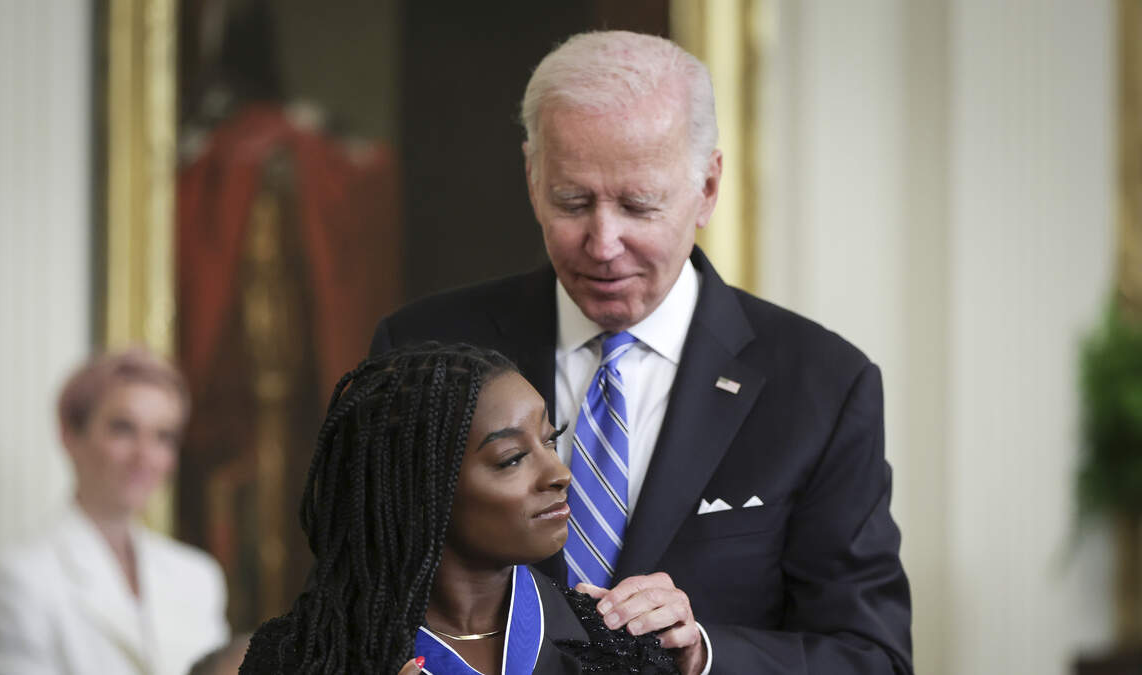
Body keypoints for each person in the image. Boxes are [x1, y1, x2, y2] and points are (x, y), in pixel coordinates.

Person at [370, 31, 913, 674]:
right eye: (573, 202)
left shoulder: (824, 385)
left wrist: (701, 655)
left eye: (639, 205)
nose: (603, 243)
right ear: (532, 178)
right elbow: (352, 602)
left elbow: (870, 657)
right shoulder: (421, 351)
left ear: (707, 187)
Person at [240, 343, 678, 674]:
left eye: (549, 440)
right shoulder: (301, 657)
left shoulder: (617, 645)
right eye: (511, 459)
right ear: (423, 487)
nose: (560, 474)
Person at [0, 348, 229, 675]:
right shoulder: (15, 580)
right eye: (123, 429)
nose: (145, 456)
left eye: (163, 437)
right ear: (70, 435)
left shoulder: (199, 578)